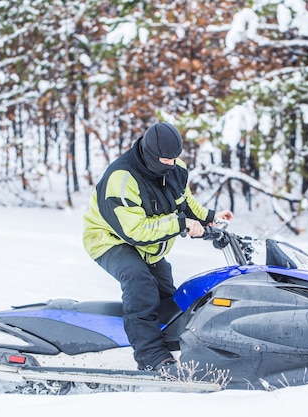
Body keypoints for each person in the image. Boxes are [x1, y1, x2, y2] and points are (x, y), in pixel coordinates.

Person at [83, 121, 233, 371]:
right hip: (110, 239)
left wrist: (209, 217)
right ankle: (150, 356)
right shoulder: (121, 179)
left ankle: (172, 344)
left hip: (149, 246)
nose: (172, 164)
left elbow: (184, 201)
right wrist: (181, 224)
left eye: (175, 158)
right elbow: (134, 230)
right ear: (150, 154)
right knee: (139, 282)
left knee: (168, 294)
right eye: (166, 159)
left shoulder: (174, 167)